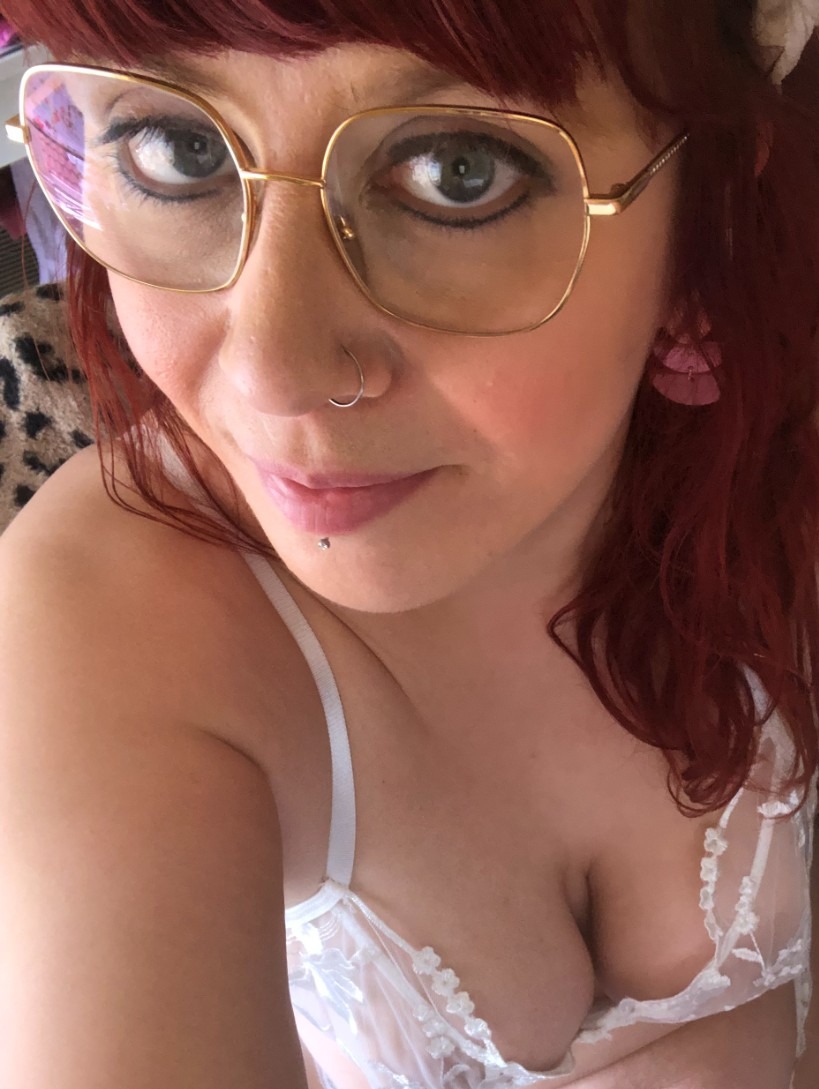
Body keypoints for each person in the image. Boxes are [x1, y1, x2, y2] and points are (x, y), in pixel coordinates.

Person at [0, 1, 817, 1087]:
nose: (271, 375)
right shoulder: (99, 631)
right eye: (178, 148)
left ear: (706, 200)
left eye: (457, 172)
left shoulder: (786, 449)